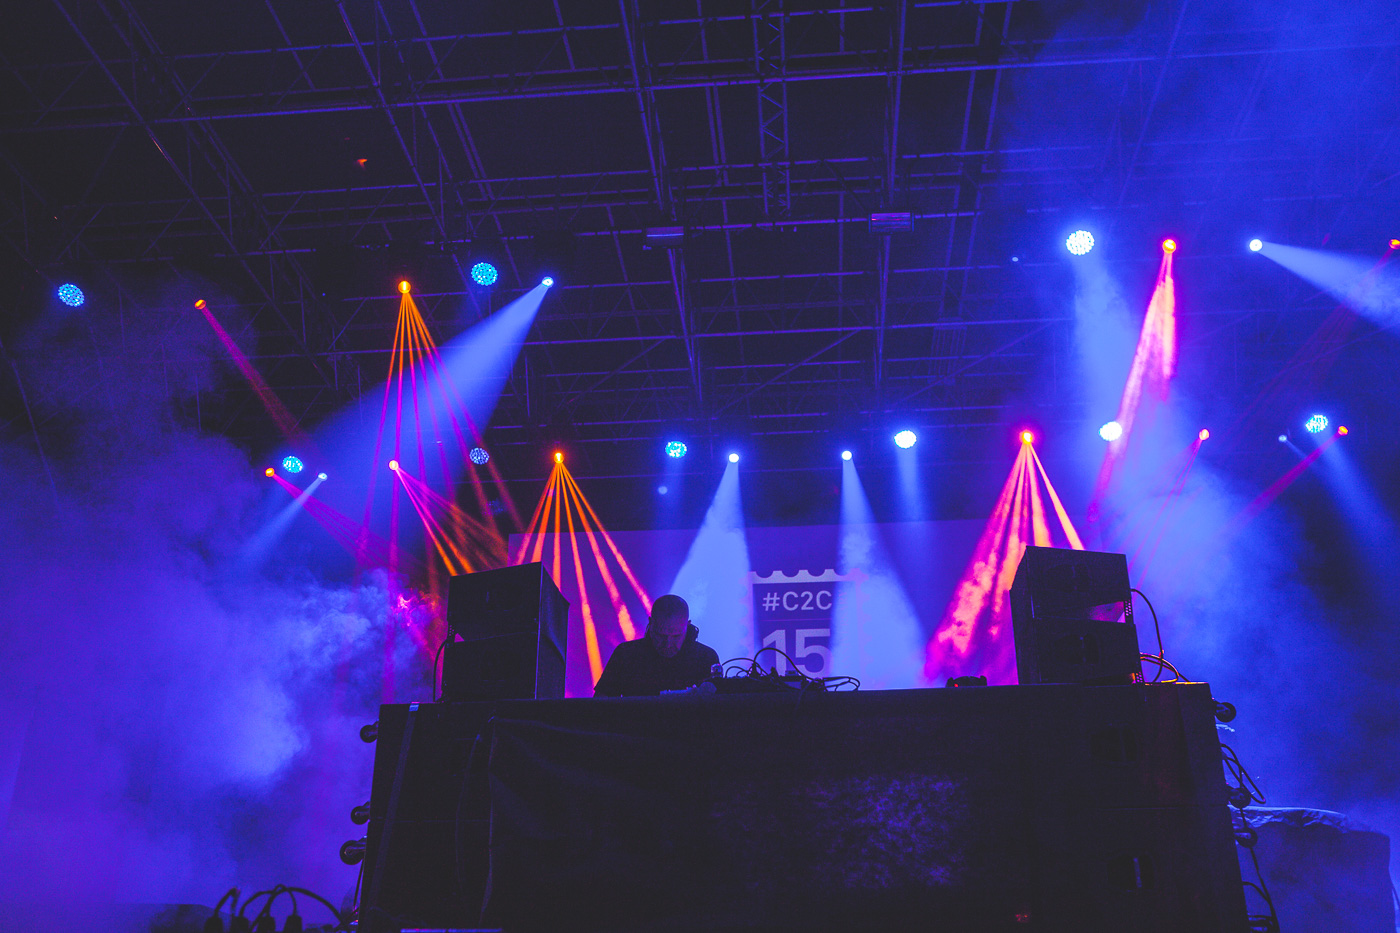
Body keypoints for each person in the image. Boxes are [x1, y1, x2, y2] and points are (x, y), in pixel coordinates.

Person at [593, 594, 719, 697]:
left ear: (688, 625)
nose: (668, 643)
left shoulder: (705, 658)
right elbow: (600, 705)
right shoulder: (625, 655)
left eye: (676, 636)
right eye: (660, 635)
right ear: (650, 623)